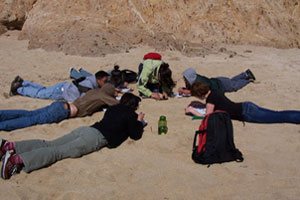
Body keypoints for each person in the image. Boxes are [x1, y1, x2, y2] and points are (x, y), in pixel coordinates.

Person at [0, 93, 145, 180]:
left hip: (87, 129)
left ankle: (11, 146)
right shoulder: (130, 114)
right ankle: (17, 160)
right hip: (95, 138)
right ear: (133, 106)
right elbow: (135, 135)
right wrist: (138, 121)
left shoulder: (113, 108)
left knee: (50, 144)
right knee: (59, 152)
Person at [0, 83, 119, 131]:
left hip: (61, 104)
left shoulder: (95, 91)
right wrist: (116, 95)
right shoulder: (103, 96)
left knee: (29, 113)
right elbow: (118, 105)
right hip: (63, 111)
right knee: (31, 120)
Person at [186, 81, 300, 124]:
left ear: (200, 94)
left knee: (278, 117)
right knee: (277, 114)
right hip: (246, 106)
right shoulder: (214, 92)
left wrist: (192, 111)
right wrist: (199, 104)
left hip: (246, 113)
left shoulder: (210, 100)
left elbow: (208, 117)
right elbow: (216, 105)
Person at [9, 70, 109, 102]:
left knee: (44, 89)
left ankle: (23, 82)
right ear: (98, 80)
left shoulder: (91, 78)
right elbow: (84, 98)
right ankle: (18, 89)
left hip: (64, 86)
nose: (105, 83)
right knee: (40, 94)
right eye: (104, 81)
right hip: (61, 91)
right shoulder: (89, 86)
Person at [178, 68, 256, 95]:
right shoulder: (196, 78)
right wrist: (184, 89)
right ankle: (244, 74)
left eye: (185, 79)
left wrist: (185, 91)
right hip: (218, 80)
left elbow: (195, 91)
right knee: (232, 81)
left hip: (221, 85)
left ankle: (248, 79)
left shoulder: (199, 82)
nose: (184, 80)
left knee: (234, 86)